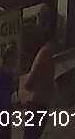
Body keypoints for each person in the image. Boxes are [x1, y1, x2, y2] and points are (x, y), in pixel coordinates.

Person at [21, 10, 57, 139]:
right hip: (44, 104)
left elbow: (29, 84)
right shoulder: (51, 51)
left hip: (36, 105)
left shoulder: (43, 54)